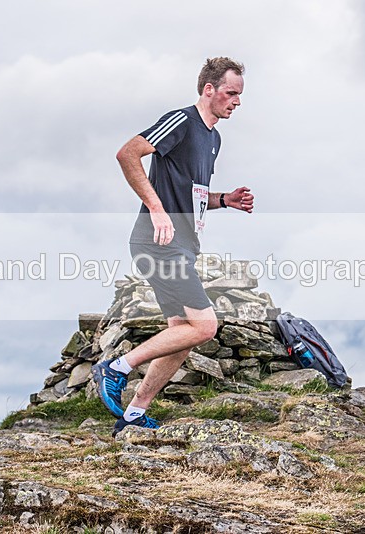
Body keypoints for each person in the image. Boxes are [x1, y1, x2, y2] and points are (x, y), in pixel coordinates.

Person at [92, 57, 254, 435]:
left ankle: (133, 414)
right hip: (157, 241)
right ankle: (115, 368)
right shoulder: (181, 121)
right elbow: (127, 153)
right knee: (205, 326)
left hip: (181, 244)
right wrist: (155, 207)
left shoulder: (213, 138)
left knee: (181, 333)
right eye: (231, 93)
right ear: (209, 89)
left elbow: (190, 193)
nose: (237, 102)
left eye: (240, 95)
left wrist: (223, 199)